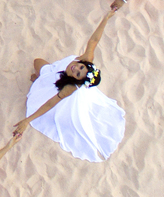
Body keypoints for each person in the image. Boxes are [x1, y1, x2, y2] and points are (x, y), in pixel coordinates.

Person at [12, 11, 125, 162]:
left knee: (37, 65)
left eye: (78, 73)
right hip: (58, 71)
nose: (76, 68)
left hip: (58, 84)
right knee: (37, 62)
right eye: (80, 67)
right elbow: (94, 40)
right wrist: (106, 18)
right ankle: (40, 77)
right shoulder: (86, 59)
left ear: (77, 81)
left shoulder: (70, 88)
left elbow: (50, 103)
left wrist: (27, 120)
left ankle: (40, 79)